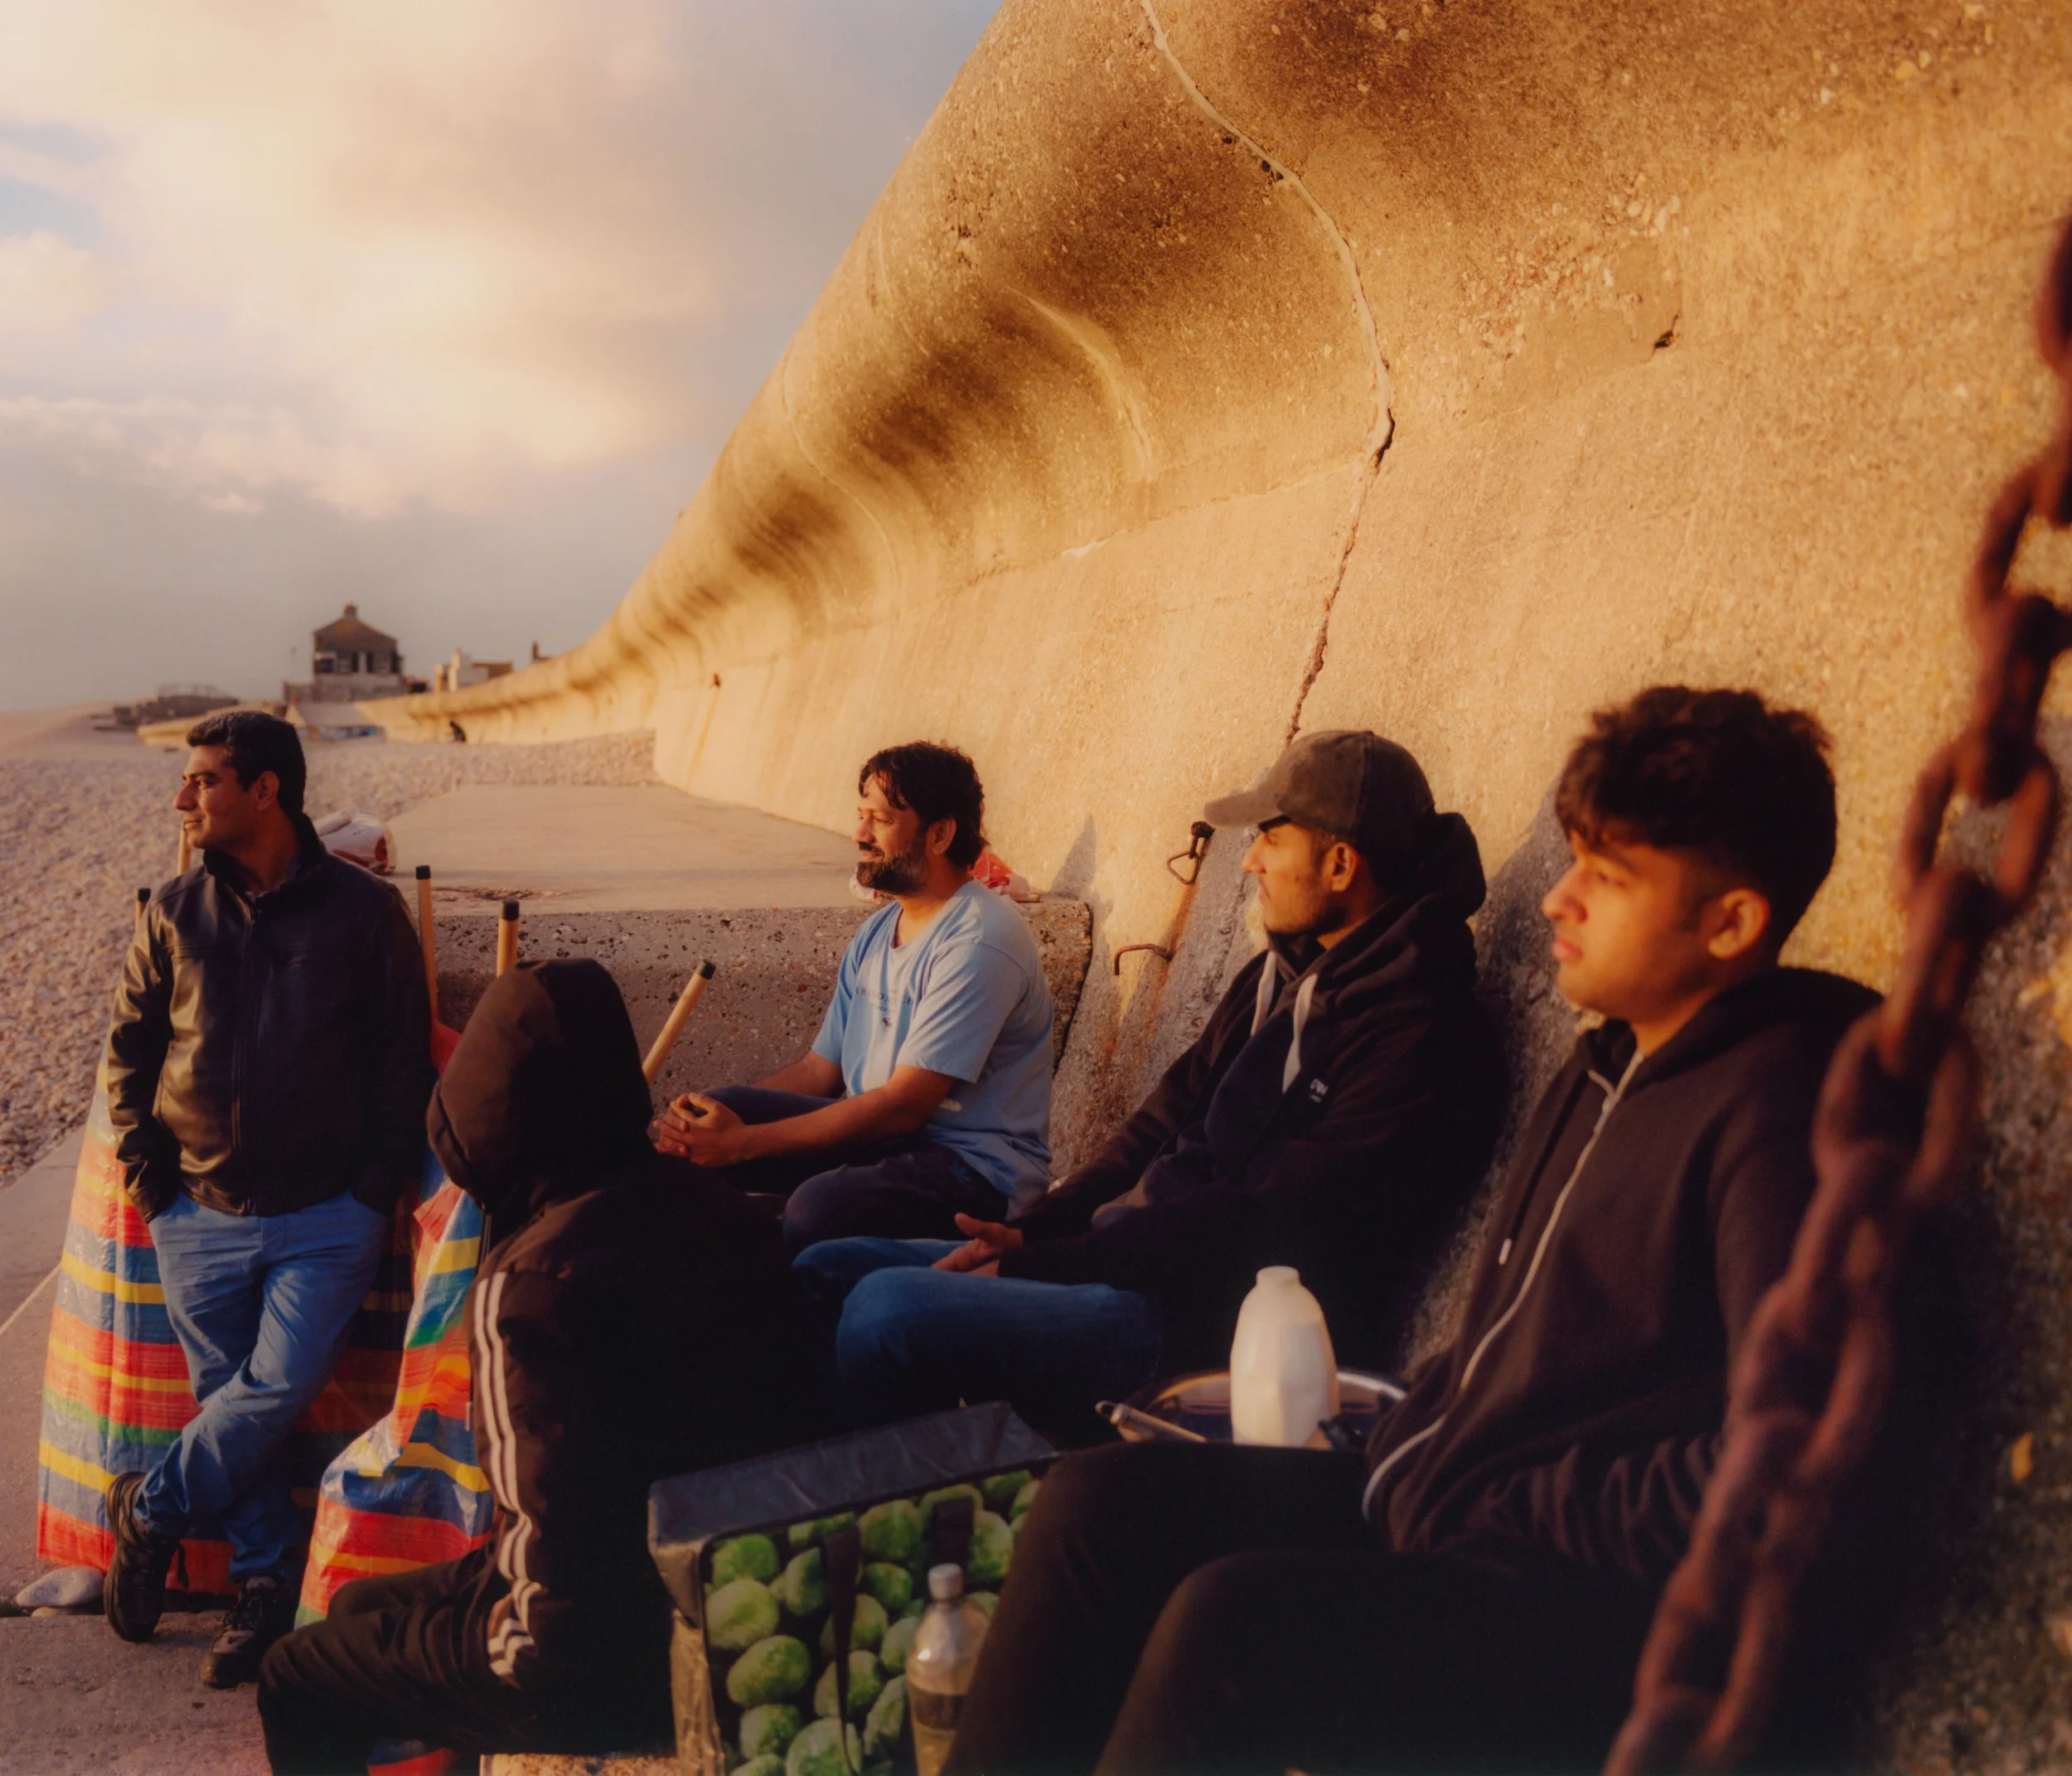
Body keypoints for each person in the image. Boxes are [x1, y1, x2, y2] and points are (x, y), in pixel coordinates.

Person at [943, 687, 1900, 1775]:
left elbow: (1799, 1471)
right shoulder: (1601, 1070)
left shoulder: (1786, 1107)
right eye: (1574, 857)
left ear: (1729, 921)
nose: (1559, 900)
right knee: (1097, 1504)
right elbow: (1507, 1345)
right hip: (1455, 1499)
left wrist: (1507, 1489)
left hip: (1597, 1597)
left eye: (1610, 875)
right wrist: (1412, 1434)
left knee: (1235, 1623)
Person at [796, 728, 1503, 1442]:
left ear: (1342, 863)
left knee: (885, 1309)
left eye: (1271, 839)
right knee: (829, 1267)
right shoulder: (1278, 977)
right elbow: (1152, 1126)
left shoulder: (1420, 1032)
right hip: (1118, 1256)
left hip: (1201, 1319)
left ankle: (897, 1513)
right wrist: (1033, 1228)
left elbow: (1265, 1222)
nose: (1251, 860)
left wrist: (1042, 1265)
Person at [256, 960, 813, 1774]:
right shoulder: (721, 1210)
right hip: (724, 1592)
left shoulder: (528, 1289)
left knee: (293, 1673)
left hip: (595, 1660)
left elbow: (550, 1565)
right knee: (358, 1606)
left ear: (490, 1112)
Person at [99, 709, 431, 1688]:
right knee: (231, 1404)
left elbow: (402, 1060)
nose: (182, 798)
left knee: (271, 1390)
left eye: (202, 780)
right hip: (194, 1210)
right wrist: (152, 1178)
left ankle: (148, 1511)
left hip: (328, 1213)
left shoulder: (365, 914)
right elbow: (130, 1049)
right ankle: (259, 1591)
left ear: (265, 790)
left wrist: (372, 1191)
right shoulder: (172, 909)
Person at [654, 742, 1054, 1256]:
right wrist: (711, 1128)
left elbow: (902, 1108)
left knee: (820, 1208)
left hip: (974, 1171)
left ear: (940, 833)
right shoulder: (878, 931)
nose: (859, 835)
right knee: (717, 1115)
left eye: (880, 820)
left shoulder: (980, 940)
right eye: (860, 816)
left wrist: (742, 1145)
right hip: (888, 1142)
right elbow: (819, 1072)